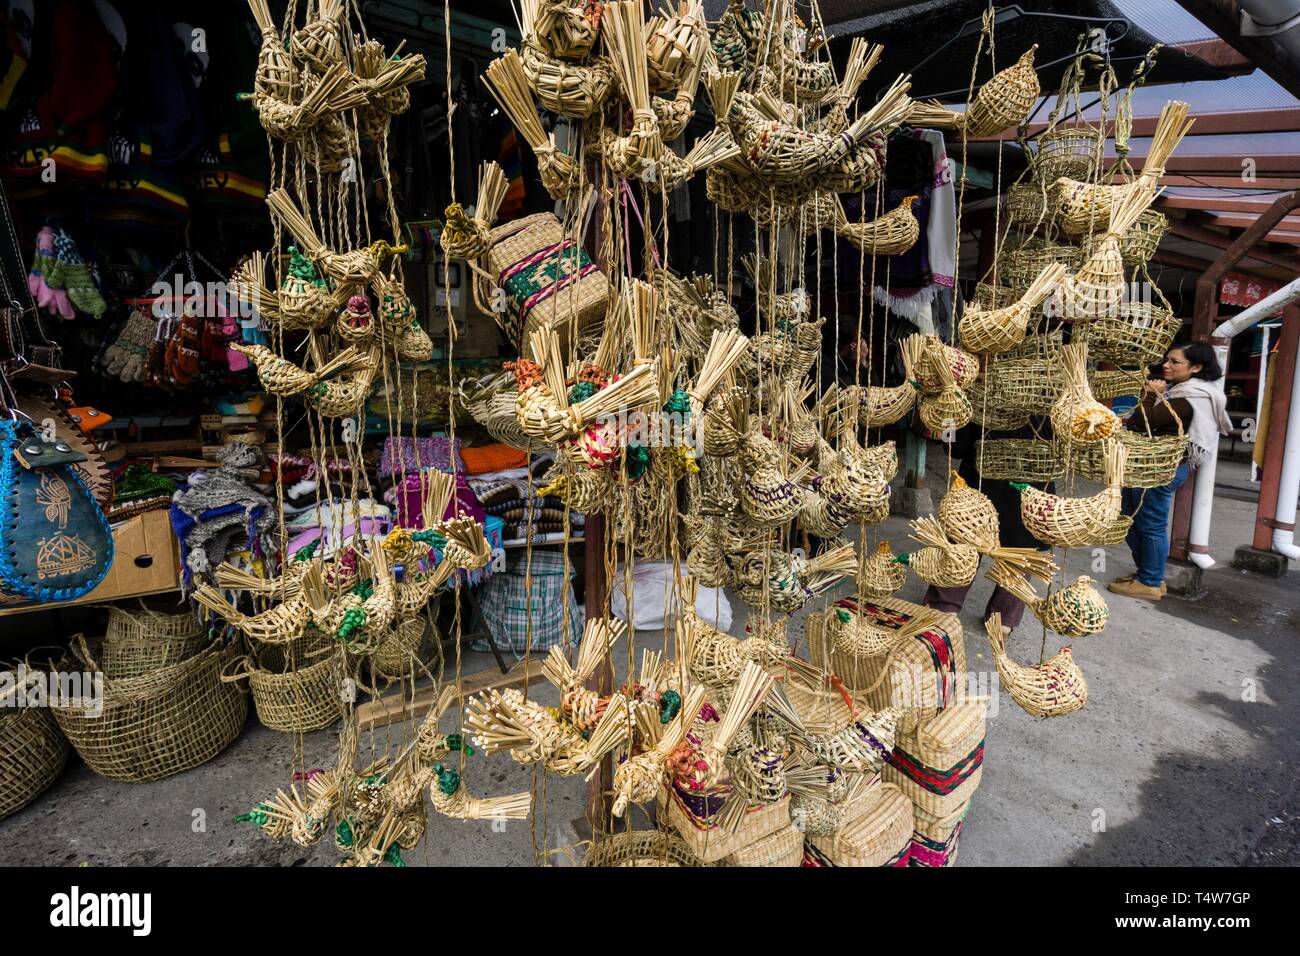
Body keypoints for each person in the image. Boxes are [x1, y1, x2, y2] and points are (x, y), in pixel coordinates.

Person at [1108, 343, 1232, 602]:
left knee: (1150, 524)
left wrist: (1150, 394)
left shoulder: (1190, 397)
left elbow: (1145, 421)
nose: (1166, 365)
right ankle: (1148, 575)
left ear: (1196, 367)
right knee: (1129, 518)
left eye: (1175, 362)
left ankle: (1150, 582)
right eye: (1167, 360)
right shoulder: (1183, 391)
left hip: (1161, 469)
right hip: (1151, 466)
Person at [923, 422, 1052, 638]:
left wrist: (946, 426)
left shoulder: (980, 392)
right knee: (1021, 549)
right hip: (1033, 493)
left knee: (965, 538)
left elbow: (956, 447)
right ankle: (1003, 620)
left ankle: (943, 605)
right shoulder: (1053, 400)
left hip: (981, 486)